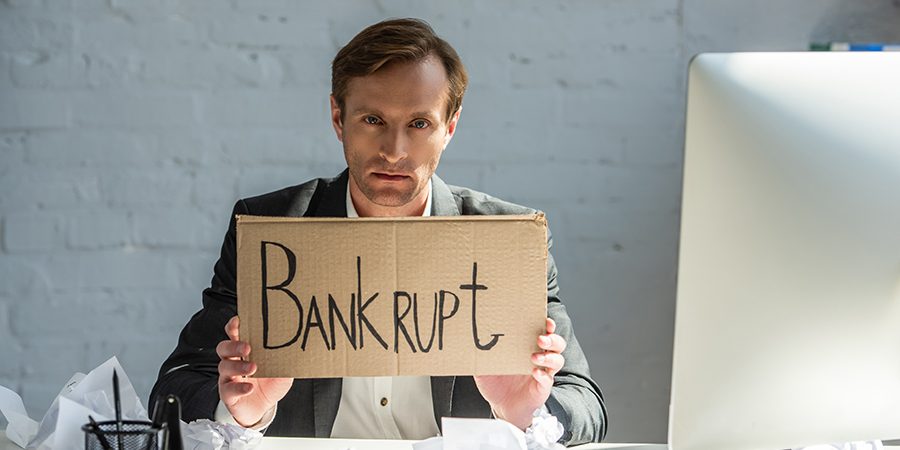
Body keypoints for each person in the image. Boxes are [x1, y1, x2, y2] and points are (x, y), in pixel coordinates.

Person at [150, 18, 608, 446]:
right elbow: (172, 389)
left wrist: (524, 413)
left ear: (450, 126)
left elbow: (586, 404)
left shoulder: (507, 241)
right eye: (373, 121)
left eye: (419, 124)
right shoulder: (273, 231)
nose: (394, 150)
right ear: (337, 118)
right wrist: (241, 412)